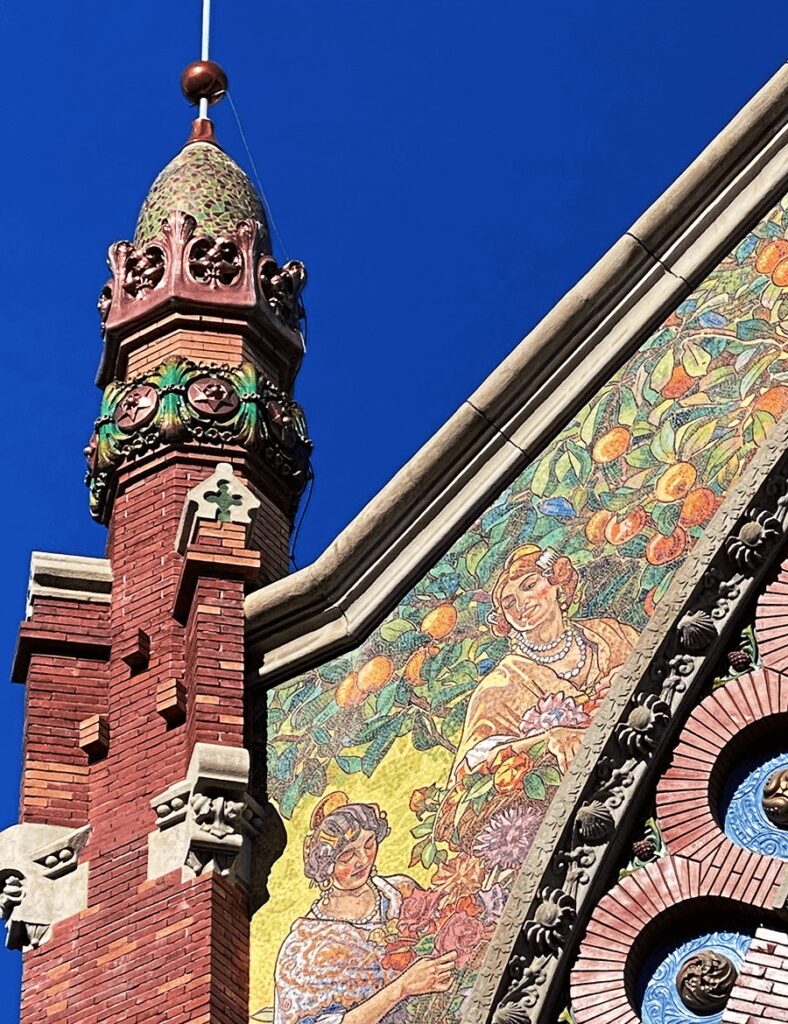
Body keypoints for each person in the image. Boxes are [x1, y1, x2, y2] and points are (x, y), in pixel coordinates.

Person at [453, 544, 637, 778]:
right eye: (509, 603)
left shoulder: (610, 633)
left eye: (529, 586)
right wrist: (546, 739)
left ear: (556, 580)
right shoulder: (499, 687)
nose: (521, 604)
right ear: (505, 619)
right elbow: (471, 769)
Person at [274, 793, 457, 1024]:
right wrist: (402, 988)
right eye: (347, 855)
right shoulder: (304, 950)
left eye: (369, 845)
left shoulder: (400, 892)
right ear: (326, 864)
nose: (362, 860)